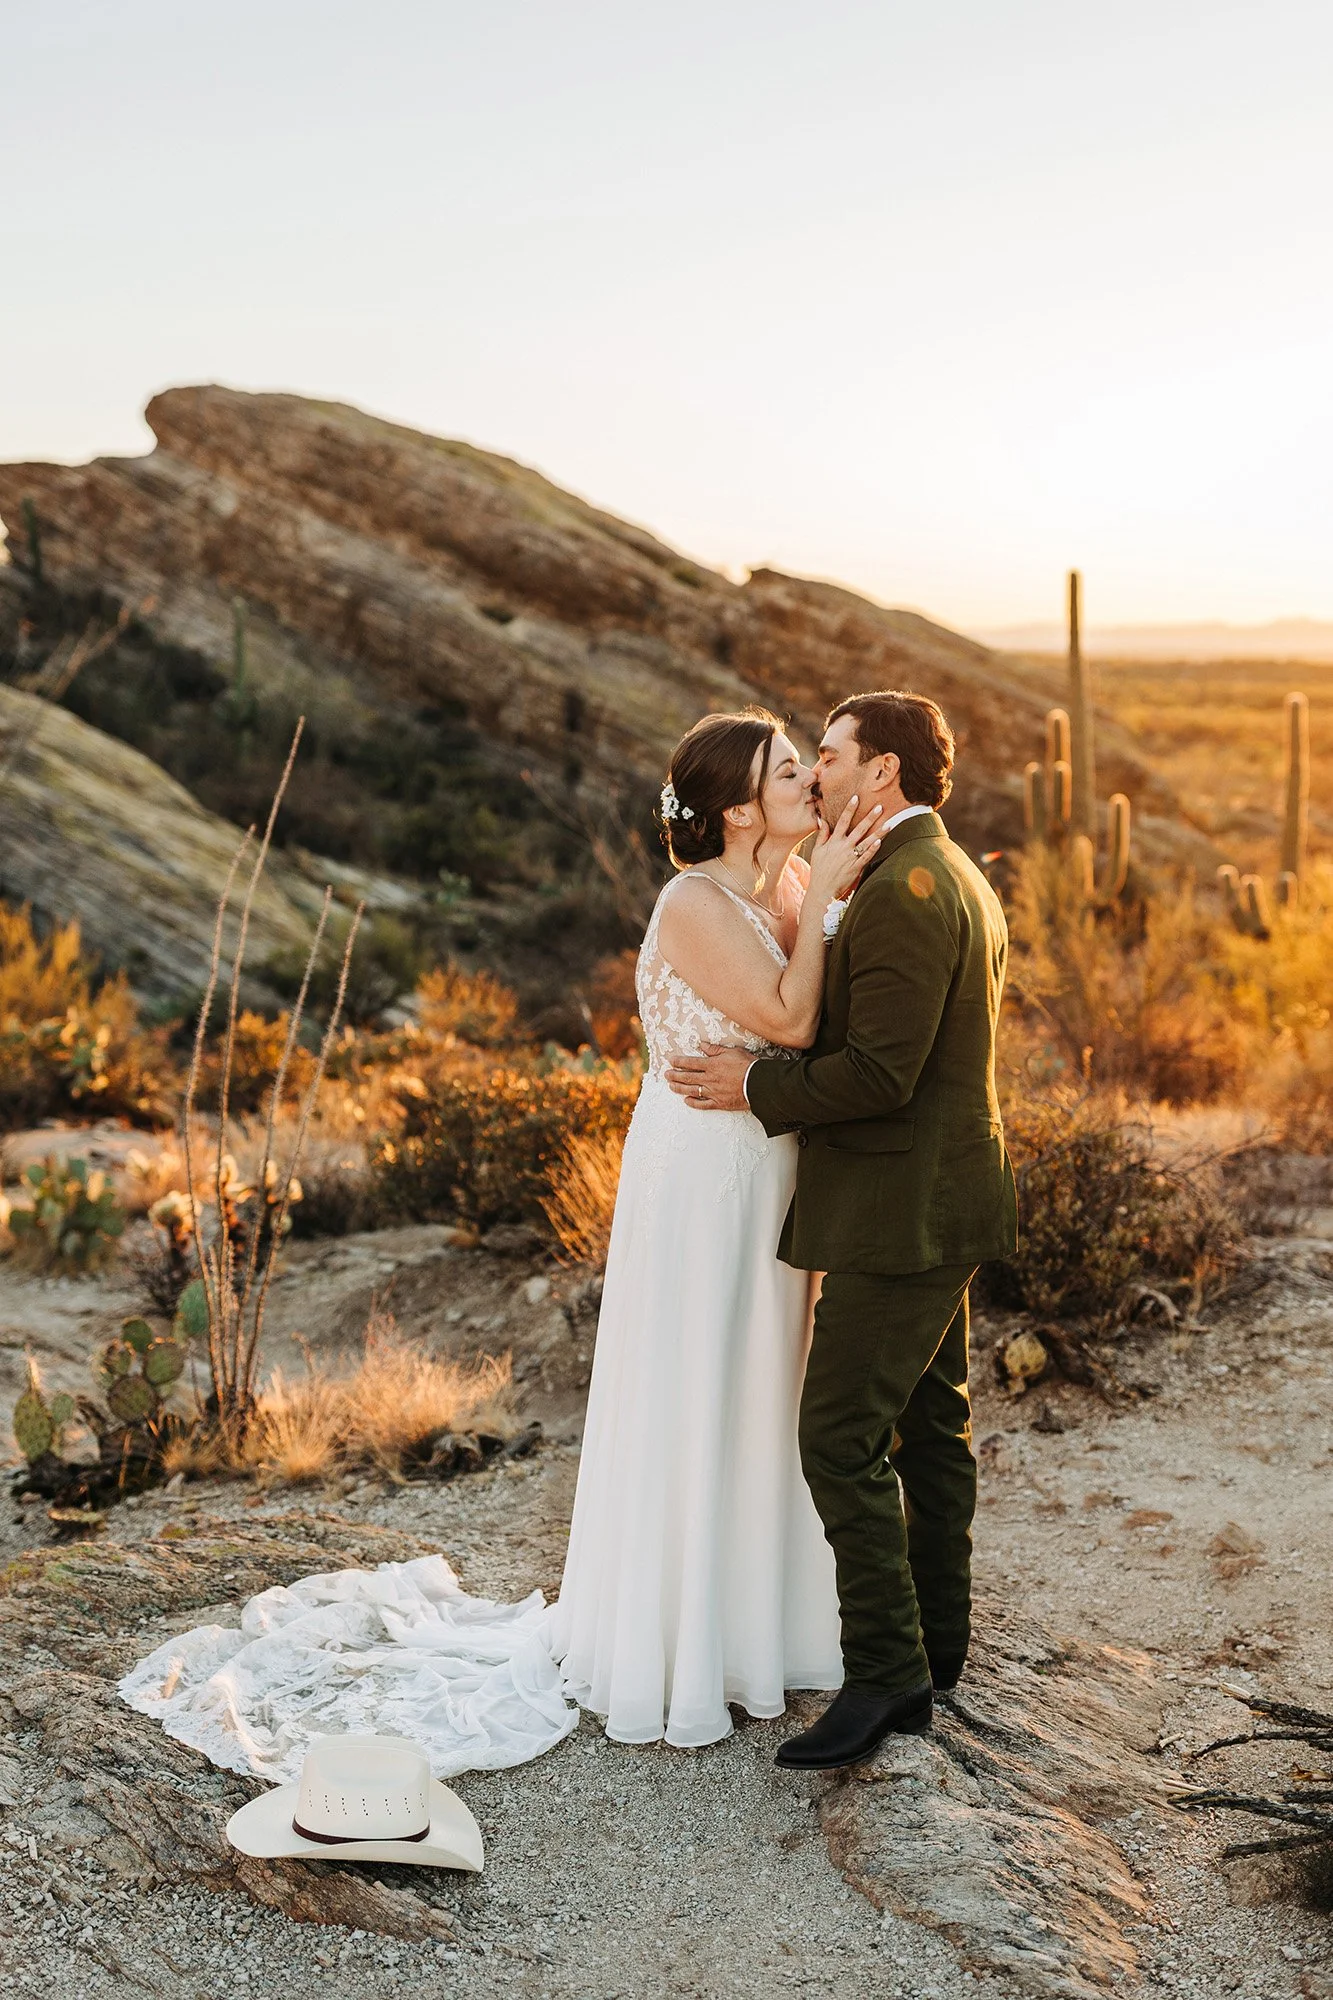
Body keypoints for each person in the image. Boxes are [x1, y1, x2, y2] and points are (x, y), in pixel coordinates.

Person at [667, 690, 1018, 1770]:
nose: (815, 772)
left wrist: (756, 1083)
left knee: (838, 1435)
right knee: (929, 1423)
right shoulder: (943, 868)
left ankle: (884, 1675)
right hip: (930, 1199)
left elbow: (880, 1072)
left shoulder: (912, 888)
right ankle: (935, 1648)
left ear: (884, 775)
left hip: (898, 1212)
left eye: (830, 754)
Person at [548, 706, 883, 1745]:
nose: (808, 780)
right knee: (701, 1377)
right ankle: (680, 1644)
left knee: (766, 1385)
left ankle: (761, 1627)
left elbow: (807, 1028)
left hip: (773, 1166)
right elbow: (786, 1020)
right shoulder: (691, 901)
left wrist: (818, 893)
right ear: (740, 807)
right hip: (700, 1173)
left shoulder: (781, 883)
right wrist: (828, 893)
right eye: (790, 769)